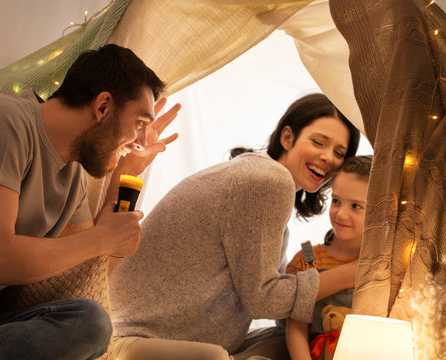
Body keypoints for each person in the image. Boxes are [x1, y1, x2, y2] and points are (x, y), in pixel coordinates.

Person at [0, 44, 180, 360]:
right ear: (103, 106)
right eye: (140, 123)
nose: (139, 140)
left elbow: (89, 267)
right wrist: (99, 238)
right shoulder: (2, 120)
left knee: (89, 322)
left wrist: (127, 173)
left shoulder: (72, 173)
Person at [108, 93, 361, 360]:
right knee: (218, 356)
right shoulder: (268, 181)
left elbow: (277, 297)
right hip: (136, 338)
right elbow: (264, 299)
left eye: (339, 153)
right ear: (287, 138)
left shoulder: (263, 179)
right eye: (318, 142)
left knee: (283, 340)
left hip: (180, 340)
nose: (327, 158)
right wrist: (353, 273)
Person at [285, 155, 372, 360]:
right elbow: (296, 327)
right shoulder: (306, 260)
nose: (340, 214)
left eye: (356, 206)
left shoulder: (383, 263)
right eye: (336, 201)